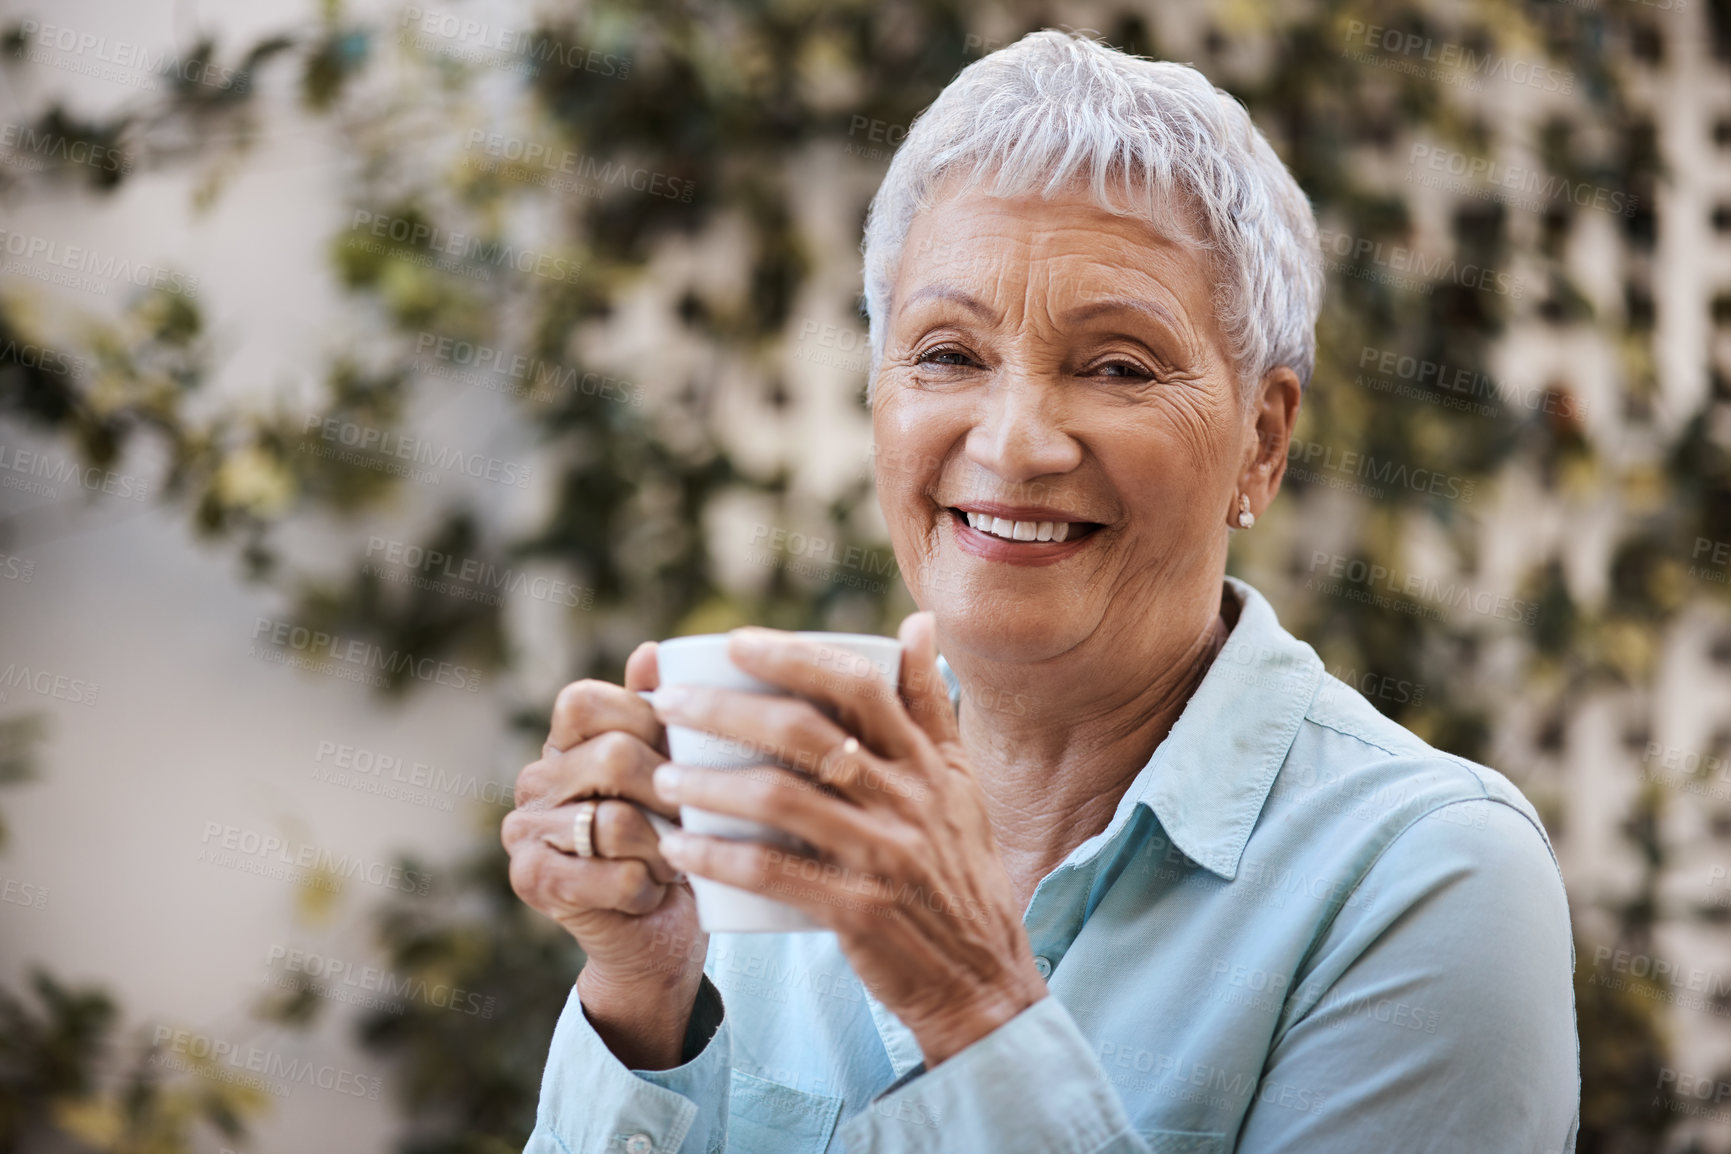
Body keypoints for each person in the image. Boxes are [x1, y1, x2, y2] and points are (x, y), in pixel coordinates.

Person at [502, 29, 1579, 1154]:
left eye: (1117, 366)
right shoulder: (792, 784)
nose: (1014, 444)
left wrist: (974, 1010)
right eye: (948, 354)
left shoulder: (1429, 875)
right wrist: (646, 996)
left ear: (1262, 441)